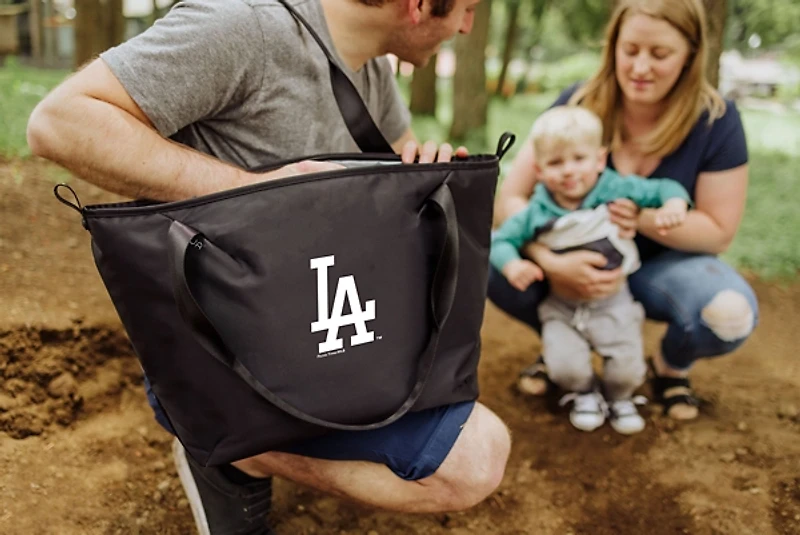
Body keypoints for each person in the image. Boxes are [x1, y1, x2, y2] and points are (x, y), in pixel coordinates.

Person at [26, 0, 511, 533]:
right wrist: (247, 191)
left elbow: (383, 183)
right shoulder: (243, 26)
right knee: (473, 460)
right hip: (227, 351)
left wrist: (420, 172)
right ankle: (231, 447)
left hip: (328, 331)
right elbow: (58, 122)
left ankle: (253, 447)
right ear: (418, 6)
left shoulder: (372, 61)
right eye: (465, 8)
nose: (468, 26)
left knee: (477, 452)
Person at [489, 0, 758, 424]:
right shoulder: (577, 103)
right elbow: (511, 200)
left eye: (660, 54)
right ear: (613, 45)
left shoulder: (716, 120)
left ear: (691, 53)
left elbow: (718, 232)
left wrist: (642, 219)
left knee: (730, 313)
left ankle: (669, 367)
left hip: (662, 268)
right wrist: (550, 259)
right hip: (568, 265)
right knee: (489, 258)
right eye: (630, 50)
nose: (640, 67)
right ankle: (564, 347)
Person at [491, 105, 690, 434]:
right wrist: (512, 265)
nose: (569, 171)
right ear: (538, 171)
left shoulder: (615, 189)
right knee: (565, 366)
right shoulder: (538, 210)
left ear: (599, 159)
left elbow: (665, 188)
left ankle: (620, 397)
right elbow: (502, 240)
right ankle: (582, 393)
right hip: (562, 307)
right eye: (556, 163)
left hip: (615, 302)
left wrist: (673, 205)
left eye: (579, 159)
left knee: (626, 368)